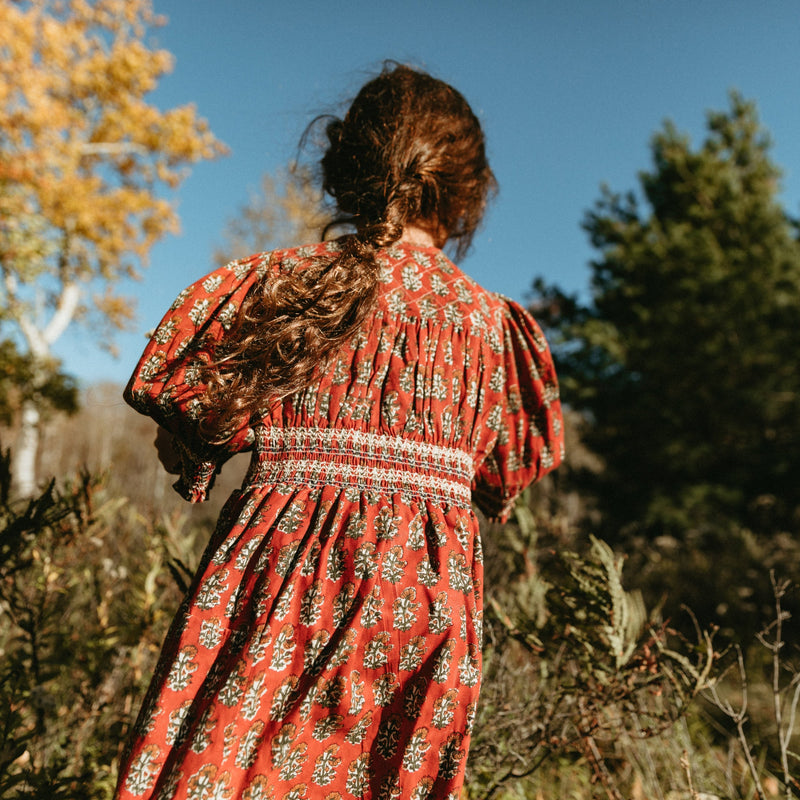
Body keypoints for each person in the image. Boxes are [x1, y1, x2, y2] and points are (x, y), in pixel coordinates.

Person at [115, 62, 564, 800]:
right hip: (418, 630)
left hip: (267, 611)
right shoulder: (496, 331)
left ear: (345, 167)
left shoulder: (272, 289)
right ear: (466, 193)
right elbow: (505, 477)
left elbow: (181, 445)